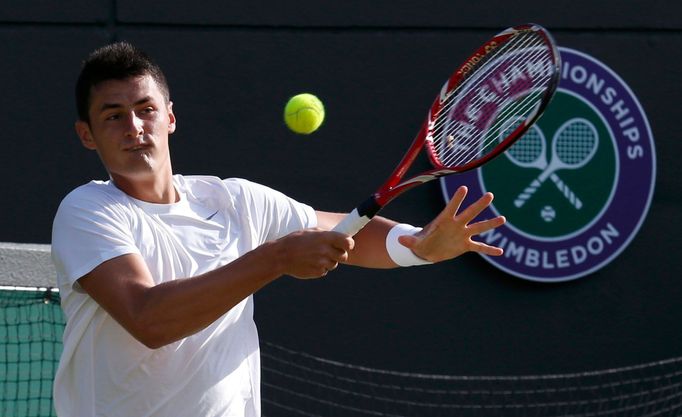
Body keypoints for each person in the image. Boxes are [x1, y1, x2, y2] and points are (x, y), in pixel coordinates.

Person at [51, 42, 506, 417]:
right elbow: (149, 319)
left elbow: (344, 233)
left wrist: (418, 245)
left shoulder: (234, 201)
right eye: (113, 116)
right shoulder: (88, 211)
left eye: (145, 109)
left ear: (169, 117)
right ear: (87, 134)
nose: (134, 127)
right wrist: (275, 259)